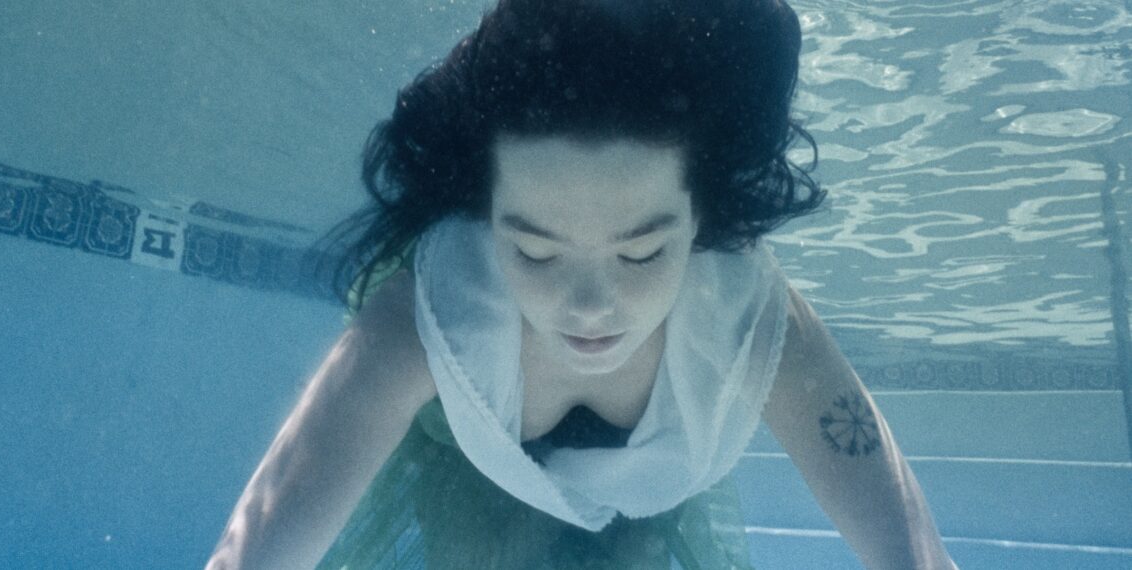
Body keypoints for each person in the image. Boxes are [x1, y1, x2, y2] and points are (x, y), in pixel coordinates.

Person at [207, 0, 958, 568]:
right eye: (534, 252)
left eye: (643, 254)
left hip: (650, 515)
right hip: (466, 485)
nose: (591, 307)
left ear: (703, 222)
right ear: (485, 216)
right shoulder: (429, 311)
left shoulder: (746, 315)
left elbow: (915, 555)